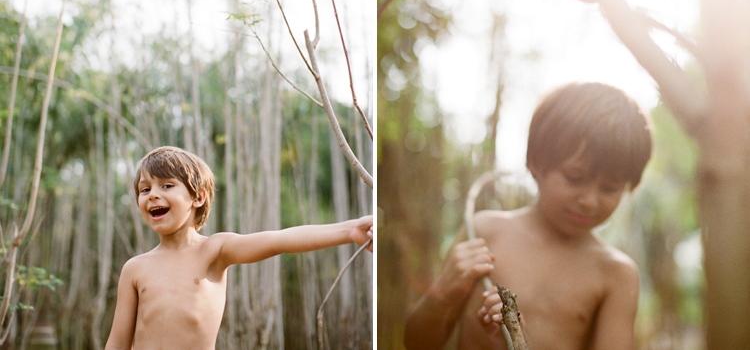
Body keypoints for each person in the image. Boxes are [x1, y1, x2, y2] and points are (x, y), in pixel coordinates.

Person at [404, 82, 652, 350]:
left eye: (610, 188)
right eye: (574, 177)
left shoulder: (614, 274)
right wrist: (445, 291)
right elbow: (417, 342)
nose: (590, 201)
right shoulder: (484, 233)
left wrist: (519, 342)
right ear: (535, 161)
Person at [105, 145, 373, 350]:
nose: (152, 194)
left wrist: (350, 230)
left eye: (166, 185)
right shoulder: (135, 268)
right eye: (144, 189)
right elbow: (117, 344)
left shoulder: (214, 251)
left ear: (198, 197)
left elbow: (280, 240)